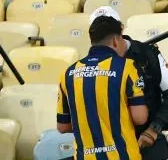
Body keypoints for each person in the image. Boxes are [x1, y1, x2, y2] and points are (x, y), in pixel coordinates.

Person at [87, 5, 168, 160]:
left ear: (120, 30)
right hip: (109, 141)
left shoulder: (148, 54)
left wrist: (154, 129)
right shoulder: (90, 63)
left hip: (146, 138)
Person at [56, 15, 149, 160]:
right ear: (115, 40)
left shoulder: (67, 73)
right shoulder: (127, 67)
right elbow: (140, 118)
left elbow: (63, 126)